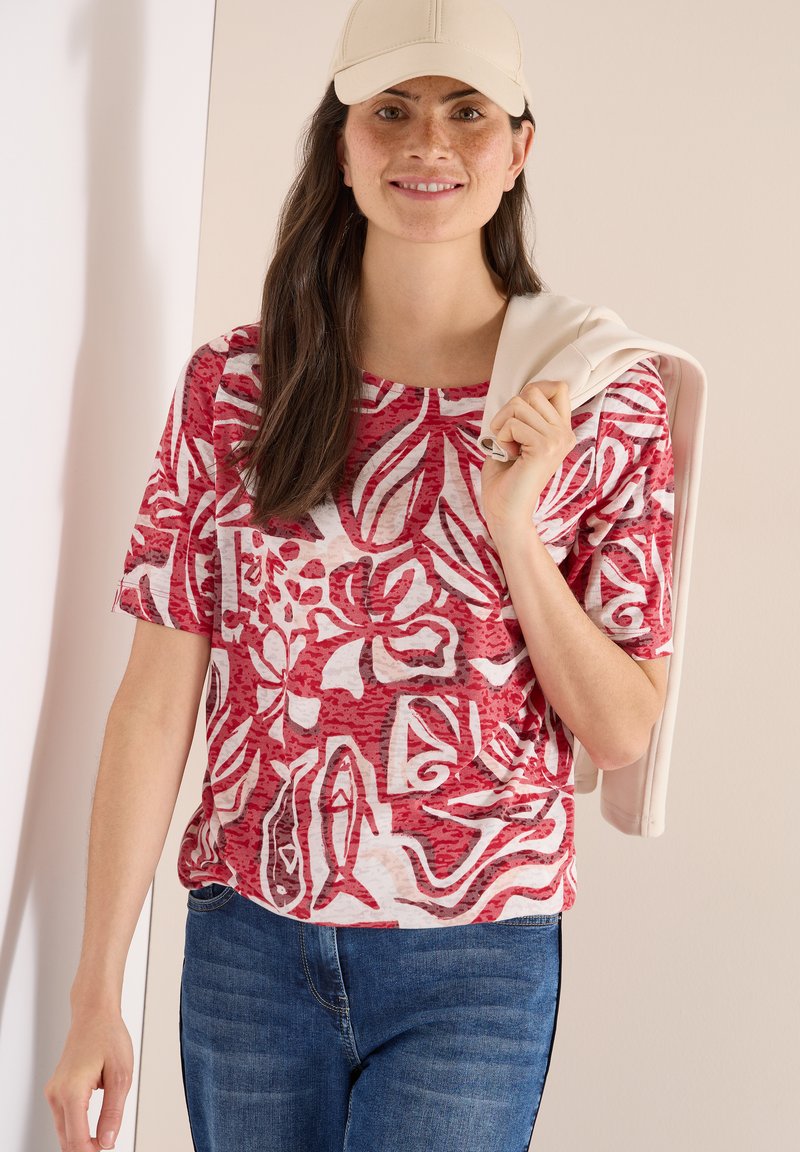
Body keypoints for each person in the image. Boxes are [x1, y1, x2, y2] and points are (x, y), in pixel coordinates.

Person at [44, 0, 675, 1149]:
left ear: (518, 148)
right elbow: (154, 702)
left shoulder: (598, 395)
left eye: (466, 112)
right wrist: (96, 987)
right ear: (340, 146)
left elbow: (623, 726)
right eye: (390, 111)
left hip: (474, 960)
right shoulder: (236, 389)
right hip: (246, 946)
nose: (427, 142)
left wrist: (514, 531)